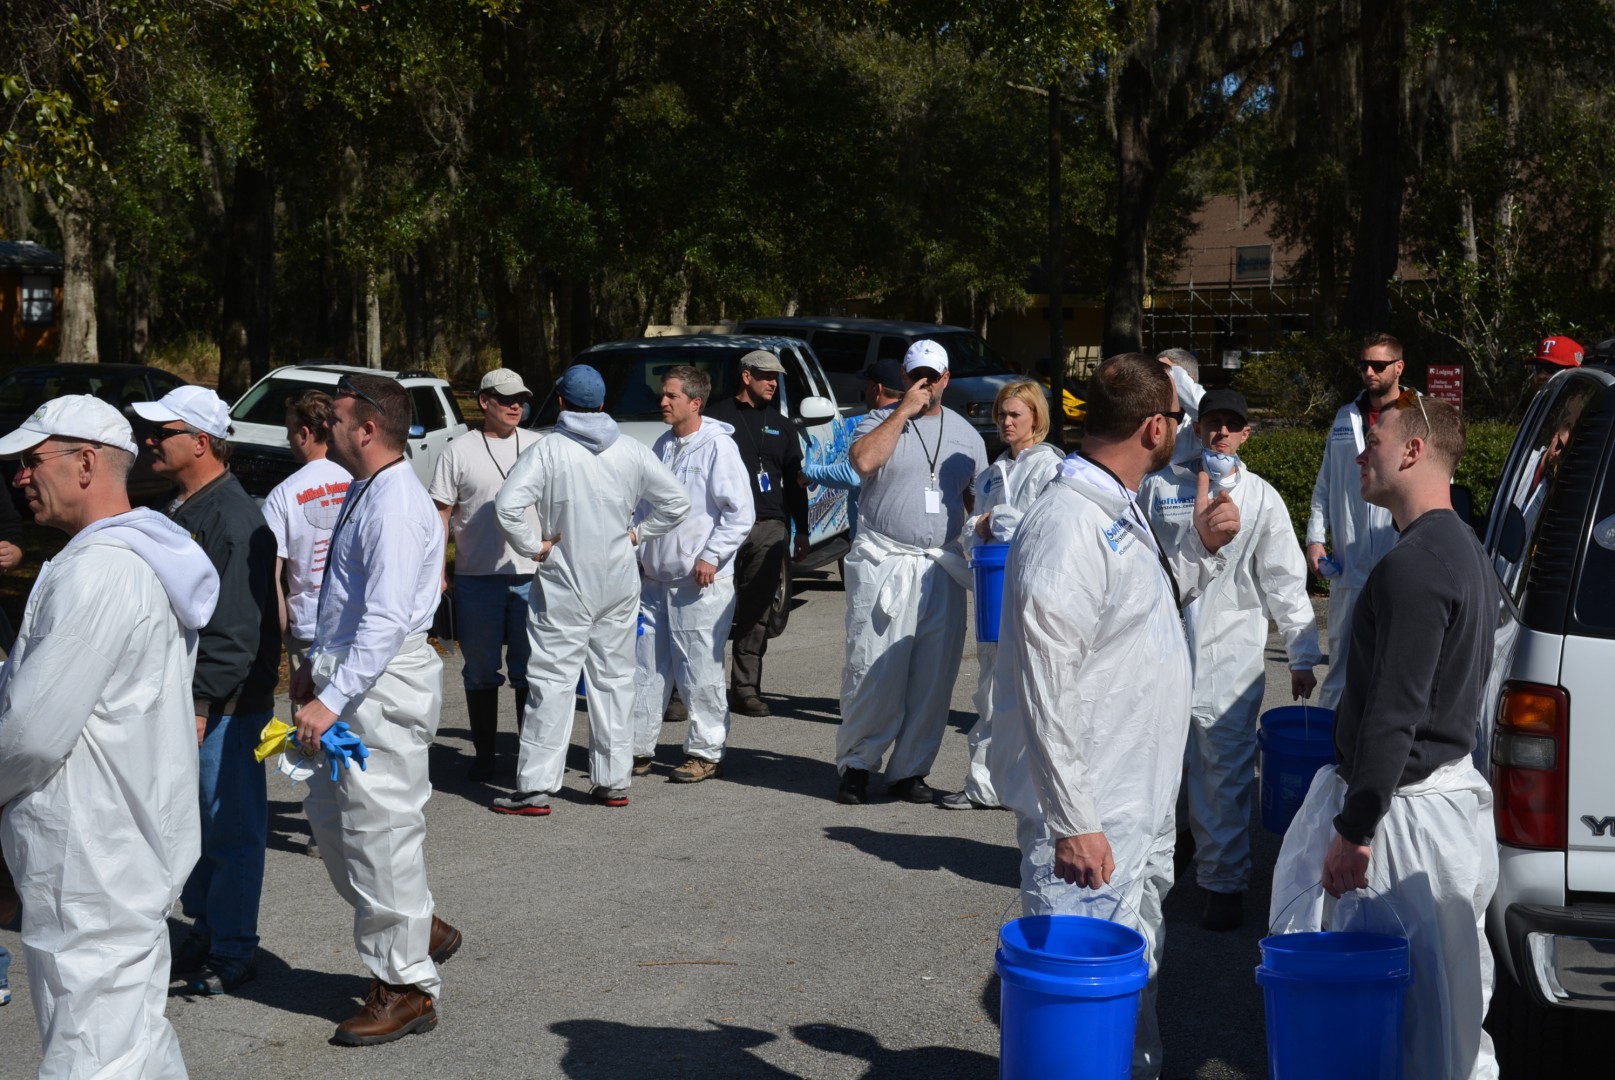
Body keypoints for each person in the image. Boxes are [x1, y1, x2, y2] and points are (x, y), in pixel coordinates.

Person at [989, 353, 1239, 1080]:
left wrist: (1199, 548)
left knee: (1128, 975)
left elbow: (1137, 609)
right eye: (1178, 421)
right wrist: (1074, 820)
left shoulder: (1115, 503)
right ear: (1155, 427)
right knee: (1078, 992)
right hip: (1092, 810)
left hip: (1134, 796)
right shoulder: (1067, 524)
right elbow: (1045, 681)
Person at [1271, 392, 1499, 1080]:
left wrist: (1355, 827)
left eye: (1374, 442)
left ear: (1412, 451)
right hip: (1434, 809)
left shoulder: (1416, 564)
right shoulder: (1460, 547)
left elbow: (1395, 712)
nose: (1359, 455)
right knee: (1441, 1016)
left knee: (1406, 1026)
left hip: (1404, 821)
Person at [0, 395, 219, 1079]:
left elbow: (31, 734)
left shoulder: (100, 570)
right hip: (120, 843)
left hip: (89, 853)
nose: (19, 477)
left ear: (86, 462)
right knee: (131, 1040)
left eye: (32, 460)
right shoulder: (137, 555)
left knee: (92, 1054)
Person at [288, 373, 462, 1046]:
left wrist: (332, 699)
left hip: (381, 686)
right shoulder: (367, 486)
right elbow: (349, 597)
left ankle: (406, 986)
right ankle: (416, 925)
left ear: (366, 428)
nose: (324, 427)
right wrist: (316, 665)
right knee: (334, 825)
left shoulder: (393, 503)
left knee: (380, 831)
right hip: (350, 672)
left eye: (335, 418)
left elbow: (387, 619)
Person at [1140, 387, 1322, 930]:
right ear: (1197, 429)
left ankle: (1223, 884)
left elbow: (1284, 579)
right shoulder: (1162, 487)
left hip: (1232, 654)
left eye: (1231, 425)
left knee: (1224, 771)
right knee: (1161, 764)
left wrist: (1301, 654)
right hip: (1166, 647)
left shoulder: (1261, 497)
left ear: (1245, 434)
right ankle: (1162, 865)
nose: (1220, 432)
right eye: (1212, 422)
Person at [133, 385, 281, 997]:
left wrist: (201, 704)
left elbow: (235, 629)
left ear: (200, 442)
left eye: (160, 432)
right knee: (192, 824)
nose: (147, 441)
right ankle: (208, 928)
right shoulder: (180, 504)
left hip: (225, 706)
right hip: (192, 698)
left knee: (230, 828)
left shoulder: (234, 519)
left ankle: (234, 949)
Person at [491, 364, 690, 814]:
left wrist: (534, 546)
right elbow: (677, 502)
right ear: (602, 404)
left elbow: (507, 507)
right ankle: (613, 780)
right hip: (618, 579)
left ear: (561, 402)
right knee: (615, 679)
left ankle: (536, 786)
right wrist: (639, 533)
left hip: (565, 578)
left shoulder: (548, 450)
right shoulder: (630, 450)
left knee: (552, 681)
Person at [835, 339, 988, 805]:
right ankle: (857, 765)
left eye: (933, 376)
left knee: (934, 675)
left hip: (941, 564)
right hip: (885, 560)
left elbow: (977, 501)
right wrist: (903, 411)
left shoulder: (966, 434)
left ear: (946, 379)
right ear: (904, 377)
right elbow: (862, 461)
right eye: (917, 375)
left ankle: (910, 770)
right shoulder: (879, 421)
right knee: (873, 668)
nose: (926, 383)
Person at [939, 379, 1062, 812]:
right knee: (991, 687)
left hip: (1034, 591)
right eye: (1002, 415)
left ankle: (1038, 786)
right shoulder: (993, 473)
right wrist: (984, 526)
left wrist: (996, 522)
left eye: (1015, 415)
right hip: (994, 588)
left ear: (1036, 417)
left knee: (1038, 689)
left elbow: (1046, 526)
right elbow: (972, 532)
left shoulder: (1050, 467)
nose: (1006, 422)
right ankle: (985, 784)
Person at [630, 365, 754, 782]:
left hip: (700, 582)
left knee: (699, 669)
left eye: (671, 396)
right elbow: (645, 505)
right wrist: (637, 548)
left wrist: (712, 556)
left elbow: (740, 513)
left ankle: (705, 751)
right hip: (656, 580)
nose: (662, 401)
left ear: (695, 403)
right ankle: (637, 748)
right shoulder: (663, 445)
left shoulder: (718, 448)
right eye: (663, 394)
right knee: (646, 667)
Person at [429, 368, 540, 780]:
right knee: (479, 672)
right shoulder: (458, 451)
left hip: (532, 575)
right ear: (484, 401)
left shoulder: (540, 445)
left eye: (520, 399)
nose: (515, 406)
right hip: (477, 578)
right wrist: (438, 573)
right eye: (506, 399)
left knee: (529, 671)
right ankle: (485, 757)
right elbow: (441, 514)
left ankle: (529, 760)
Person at [1304, 332, 1407, 709]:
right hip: (1350, 564)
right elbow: (1326, 482)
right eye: (1364, 365)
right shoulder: (1345, 416)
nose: (1369, 372)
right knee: (1340, 671)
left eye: (1378, 365)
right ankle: (1329, 745)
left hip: (1399, 559)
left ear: (1399, 367)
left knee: (1394, 667)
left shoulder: (1418, 414)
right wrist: (1315, 539)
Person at [705, 349, 809, 718]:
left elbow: (795, 482)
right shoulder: (715, 419)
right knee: (706, 609)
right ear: (746, 376)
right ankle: (688, 691)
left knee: (757, 612)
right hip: (719, 527)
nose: (773, 382)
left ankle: (745, 690)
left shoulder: (782, 425)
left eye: (776, 377)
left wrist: (801, 530)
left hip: (768, 525)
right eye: (766, 375)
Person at [797, 359, 906, 541]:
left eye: (867, 385)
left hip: (875, 540)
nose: (864, 390)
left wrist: (809, 472)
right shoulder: (913, 421)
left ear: (877, 389)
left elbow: (854, 475)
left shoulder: (875, 425)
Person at [1157, 348, 1205, 464]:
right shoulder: (1150, 413)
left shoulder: (1194, 424)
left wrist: (1173, 371)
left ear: (1188, 381)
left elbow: (1206, 410)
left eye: (1163, 377)